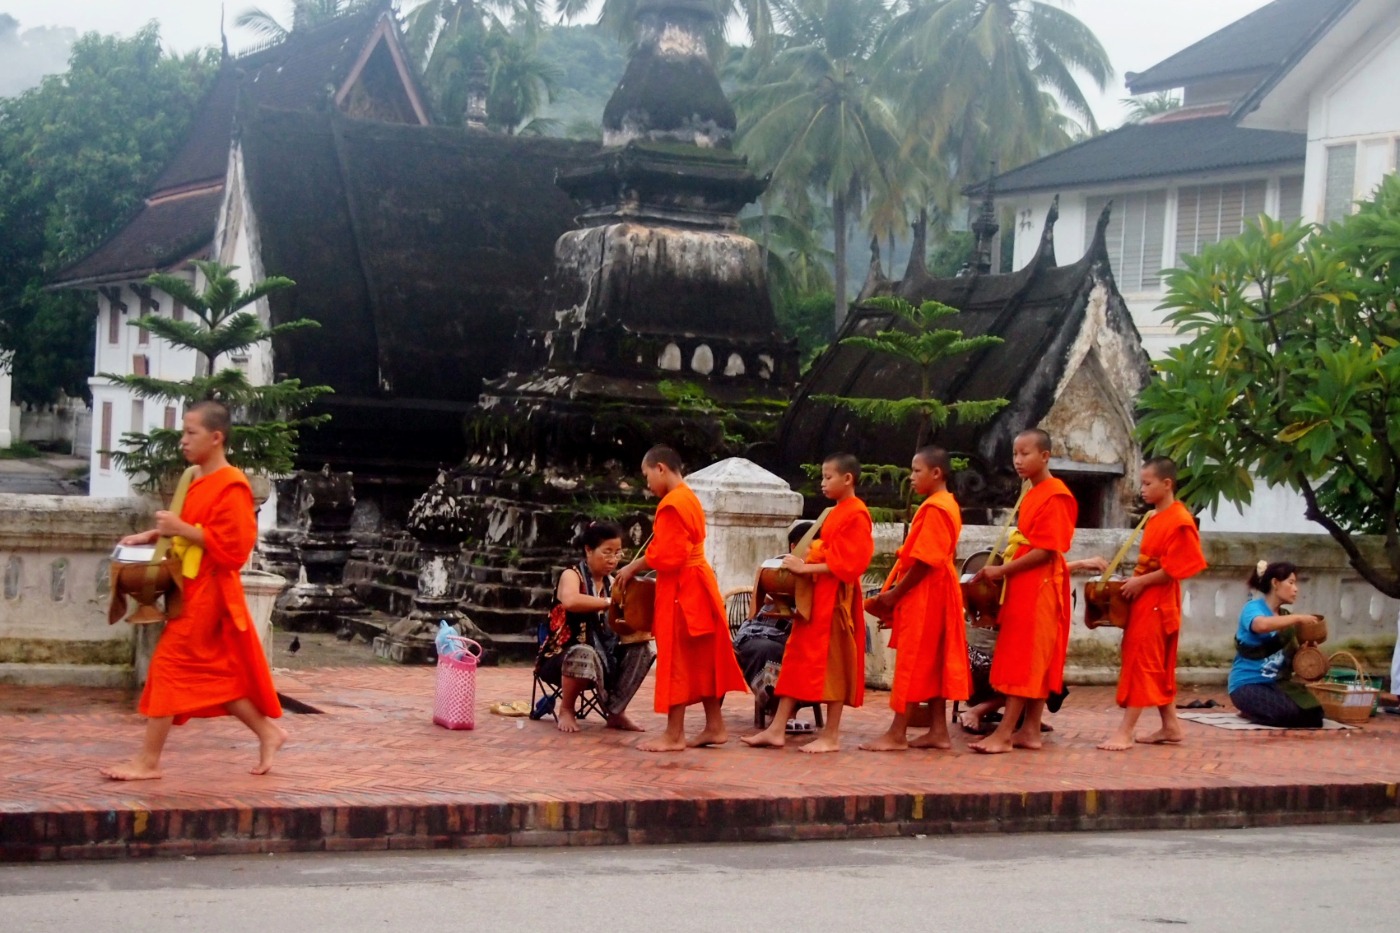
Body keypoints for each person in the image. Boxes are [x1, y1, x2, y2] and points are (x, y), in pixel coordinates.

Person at [101, 400, 285, 780]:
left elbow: (234, 550)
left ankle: (148, 762)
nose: (183, 440)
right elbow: (191, 528)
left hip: (211, 591)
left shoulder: (232, 485)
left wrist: (181, 529)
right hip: (191, 586)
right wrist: (155, 534)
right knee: (211, 674)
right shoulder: (196, 478)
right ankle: (269, 731)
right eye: (183, 432)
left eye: (191, 433)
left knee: (169, 667)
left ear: (216, 437)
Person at [615, 445, 748, 751]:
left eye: (647, 475)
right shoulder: (689, 496)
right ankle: (715, 726)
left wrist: (635, 565)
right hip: (699, 585)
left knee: (677, 659)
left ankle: (674, 735)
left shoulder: (672, 504)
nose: (647, 484)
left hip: (682, 590)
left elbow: (670, 556)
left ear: (661, 468)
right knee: (702, 659)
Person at [742, 453, 873, 753]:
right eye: (823, 477)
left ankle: (832, 734)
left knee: (835, 665)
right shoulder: (834, 512)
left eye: (828, 477)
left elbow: (851, 564)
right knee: (796, 660)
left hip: (836, 603)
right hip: (814, 601)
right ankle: (776, 729)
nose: (823, 483)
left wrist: (805, 569)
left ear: (848, 479)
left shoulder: (857, 514)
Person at [969, 429, 1077, 754]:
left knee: (1026, 658)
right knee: (1030, 657)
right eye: (1015, 454)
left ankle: (1004, 734)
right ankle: (1029, 730)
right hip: (1026, 584)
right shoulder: (1031, 493)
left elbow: (1046, 551)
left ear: (1045, 456)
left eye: (1025, 453)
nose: (1017, 461)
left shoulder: (1056, 495)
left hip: (1041, 585)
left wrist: (1002, 570)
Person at [861, 447, 969, 751]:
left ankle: (897, 733)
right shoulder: (948, 504)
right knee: (933, 660)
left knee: (913, 659)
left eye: (916, 471)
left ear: (936, 473)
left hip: (926, 591)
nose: (911, 477)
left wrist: (896, 593)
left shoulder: (937, 507)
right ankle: (938, 730)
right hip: (938, 589)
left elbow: (925, 561)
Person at [1098, 457, 1209, 750]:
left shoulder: (1180, 520)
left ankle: (1126, 731)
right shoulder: (1156, 517)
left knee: (1143, 662)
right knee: (1154, 664)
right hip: (1146, 595)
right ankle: (1170, 726)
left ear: (1167, 484)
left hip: (1158, 599)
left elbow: (1179, 566)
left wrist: (1141, 582)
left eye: (1148, 484)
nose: (1142, 490)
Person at [956, 557, 1107, 736]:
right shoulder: (998, 586)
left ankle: (1028, 721)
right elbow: (1041, 566)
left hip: (991, 664)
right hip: (981, 669)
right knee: (1026, 667)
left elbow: (1043, 569)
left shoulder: (1016, 577)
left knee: (1041, 665)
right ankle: (979, 710)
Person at [535, 521, 652, 733]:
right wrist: (610, 602)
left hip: (604, 658)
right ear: (588, 550)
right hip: (561, 658)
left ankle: (616, 711)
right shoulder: (571, 575)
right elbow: (571, 601)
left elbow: (622, 622)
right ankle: (567, 709)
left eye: (617, 553)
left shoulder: (614, 582)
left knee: (643, 649)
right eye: (607, 552)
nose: (613, 559)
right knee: (583, 652)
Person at [1228, 560, 1324, 728]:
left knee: (1315, 714)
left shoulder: (1285, 616)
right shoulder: (1252, 608)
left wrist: (1306, 653)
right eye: (1291, 582)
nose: (1296, 589)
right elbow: (1261, 625)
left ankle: (1260, 711)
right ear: (1275, 583)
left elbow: (1292, 662)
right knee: (1287, 714)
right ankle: (1250, 710)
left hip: (1276, 684)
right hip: (1247, 684)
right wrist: (1298, 618)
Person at [732, 521, 814, 698]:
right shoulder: (775, 568)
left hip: (791, 636)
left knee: (791, 654)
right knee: (768, 649)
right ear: (794, 547)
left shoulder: (818, 572)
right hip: (759, 632)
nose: (817, 554)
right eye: (811, 547)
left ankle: (778, 703)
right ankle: (771, 700)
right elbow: (767, 598)